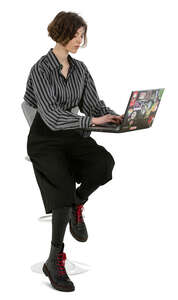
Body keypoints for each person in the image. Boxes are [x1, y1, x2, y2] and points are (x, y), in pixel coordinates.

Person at [24, 11, 124, 292]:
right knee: (62, 188)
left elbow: (93, 106)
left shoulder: (80, 69)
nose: (80, 40)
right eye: (75, 34)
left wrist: (118, 118)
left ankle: (77, 203)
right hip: (45, 139)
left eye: (82, 35)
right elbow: (54, 118)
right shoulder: (41, 69)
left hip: (72, 135)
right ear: (60, 33)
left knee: (104, 164)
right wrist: (92, 121)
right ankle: (54, 259)